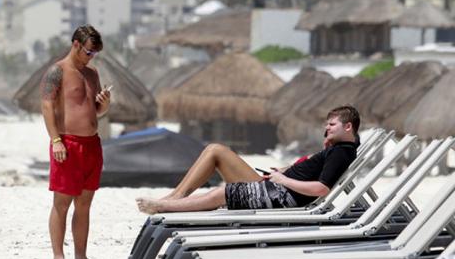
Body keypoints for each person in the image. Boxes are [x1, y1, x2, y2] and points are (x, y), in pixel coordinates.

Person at [136, 105, 360, 214]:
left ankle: (165, 206)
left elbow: (321, 189)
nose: (326, 128)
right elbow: (311, 170)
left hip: (282, 195)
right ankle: (175, 197)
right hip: (275, 186)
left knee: (221, 193)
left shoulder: (342, 152)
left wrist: (283, 180)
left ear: (348, 126)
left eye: (332, 125)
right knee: (215, 150)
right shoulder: (338, 149)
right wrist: (285, 170)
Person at [41, 25, 111, 259]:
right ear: (76, 45)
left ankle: (80, 256)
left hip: (92, 145)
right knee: (62, 203)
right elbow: (47, 106)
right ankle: (58, 256)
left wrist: (104, 105)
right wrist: (56, 140)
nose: (91, 57)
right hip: (67, 143)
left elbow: (94, 111)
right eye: (89, 52)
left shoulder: (92, 74)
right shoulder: (57, 71)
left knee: (84, 204)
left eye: (95, 54)